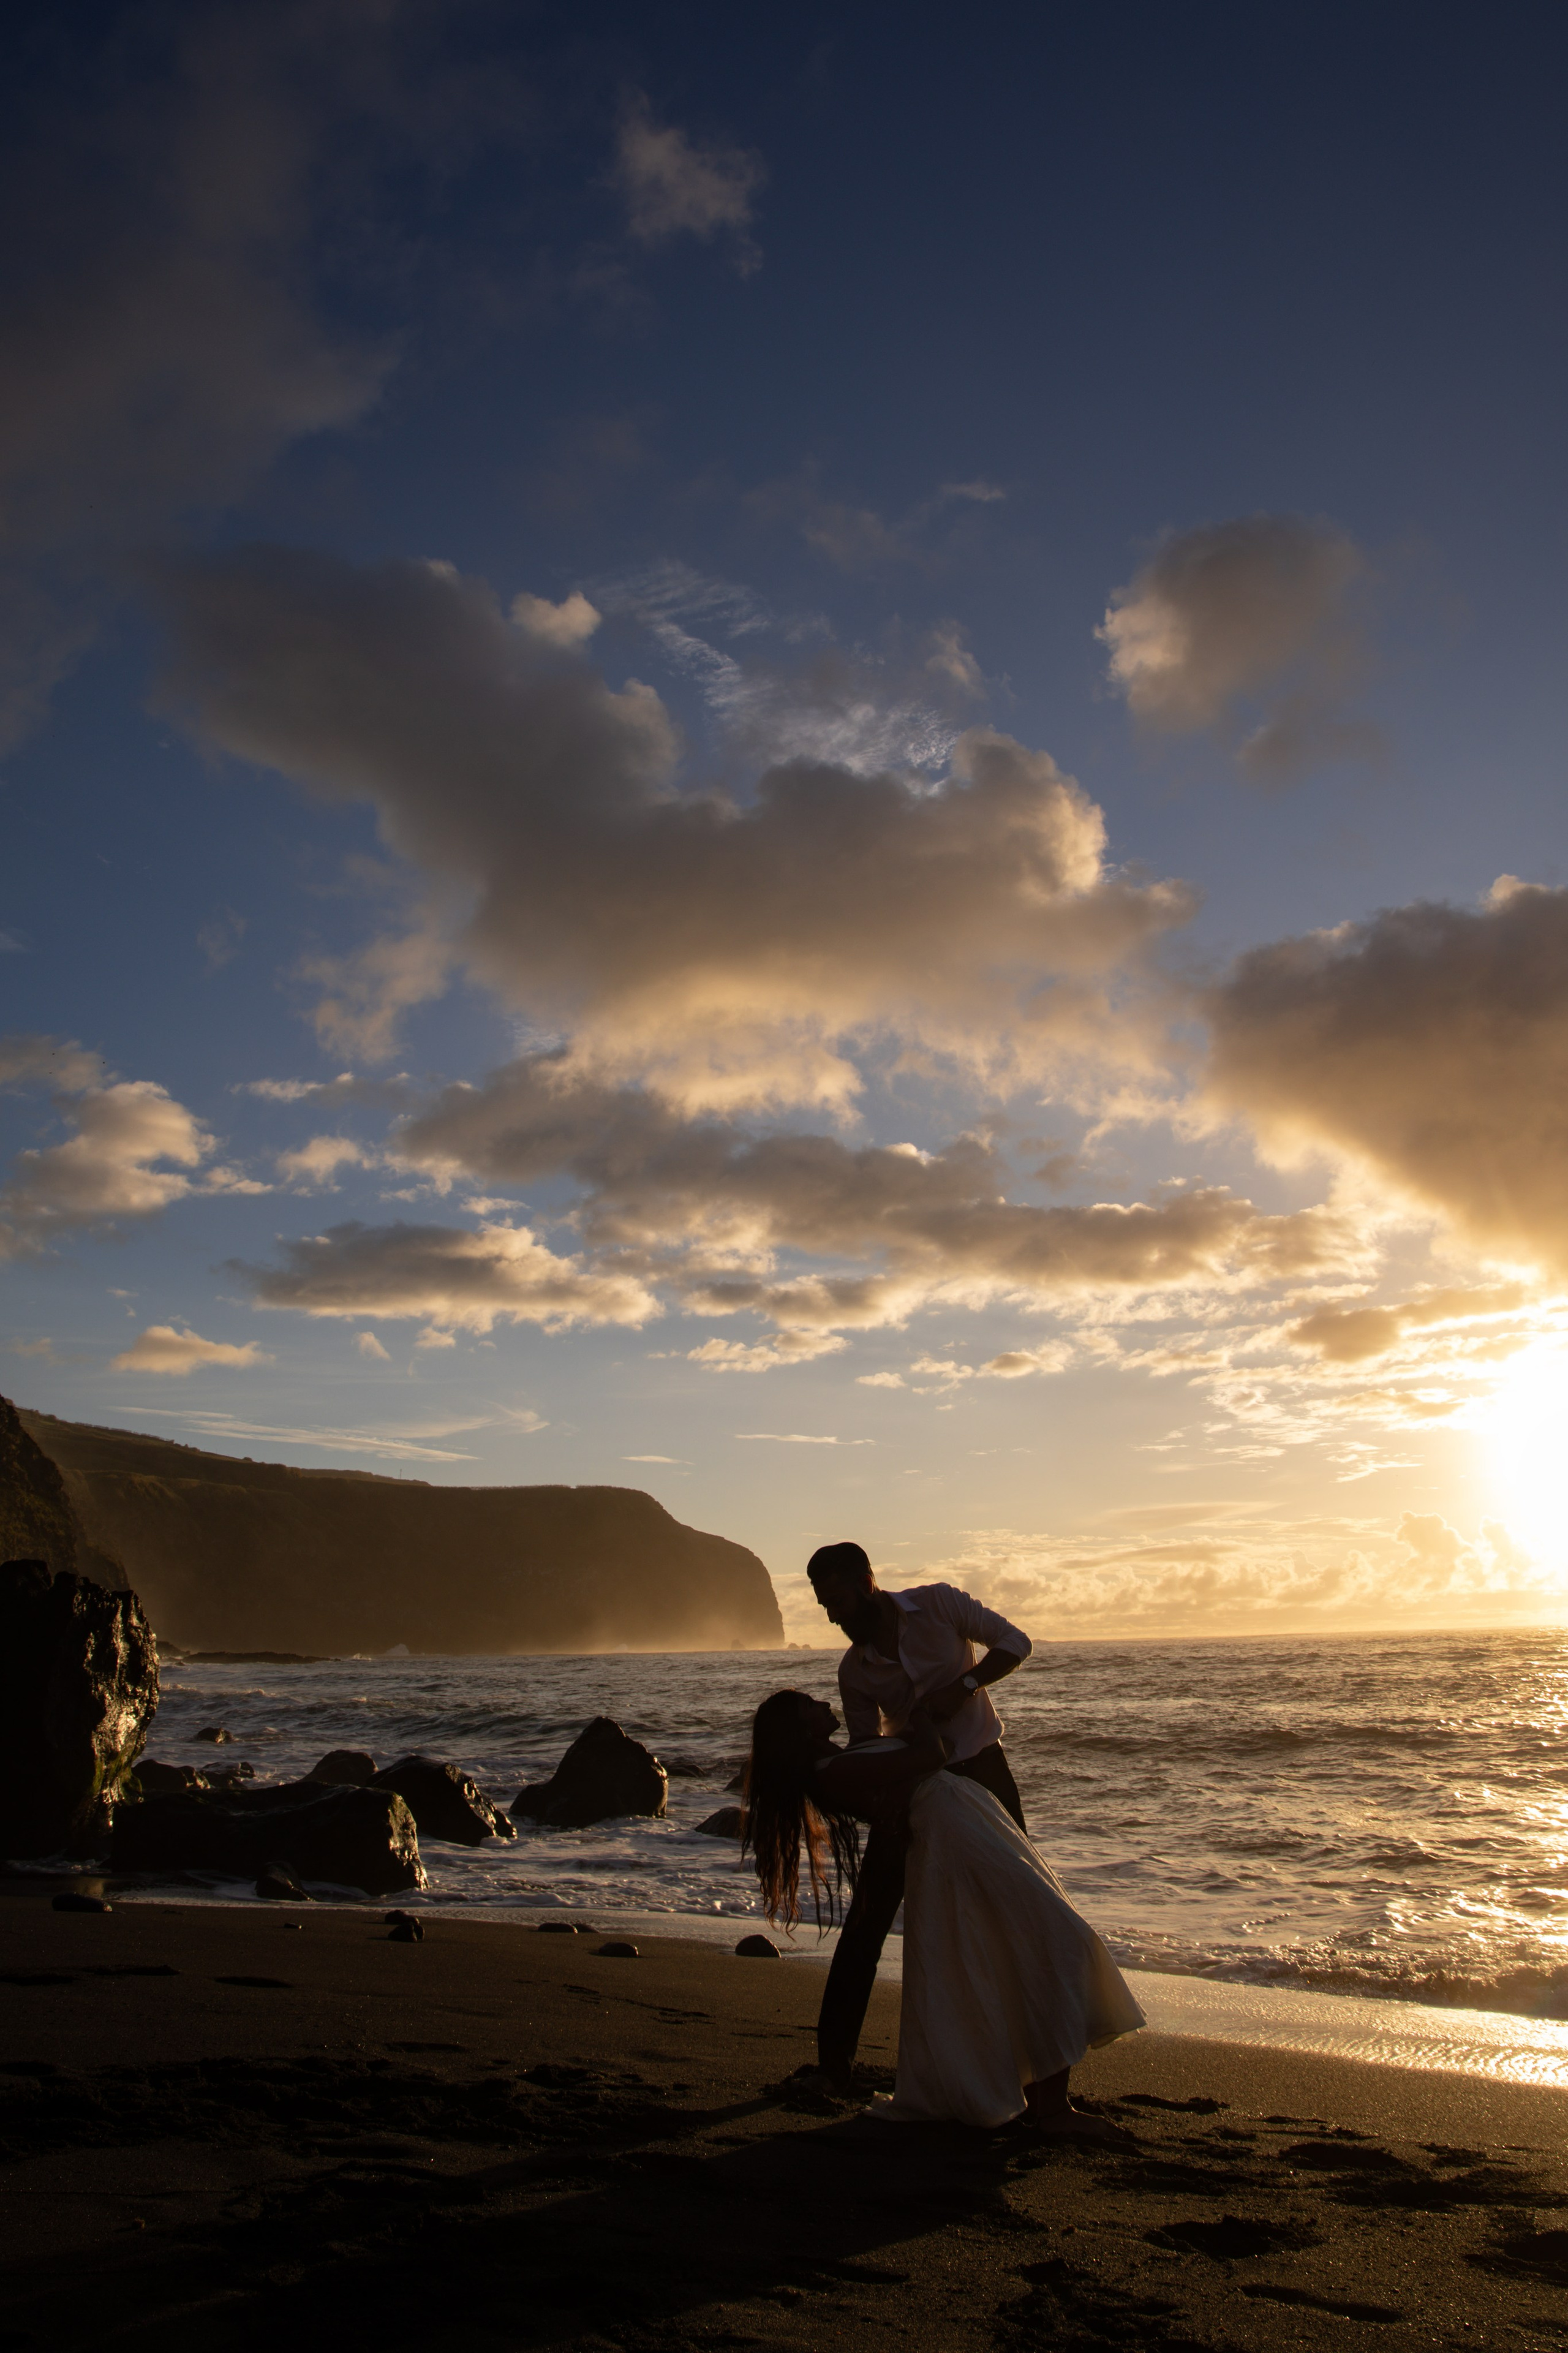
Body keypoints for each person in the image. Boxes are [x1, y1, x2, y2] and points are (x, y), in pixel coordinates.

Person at [745, 1687, 1144, 2136]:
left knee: (1027, 1946)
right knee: (1052, 1939)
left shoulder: (844, 1758)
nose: (822, 1703)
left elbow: (933, 1757)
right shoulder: (833, 1769)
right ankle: (1051, 2109)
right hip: (954, 1832)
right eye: (809, 1705)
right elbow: (931, 1754)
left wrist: (920, 1730)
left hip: (963, 1820)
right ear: (801, 1728)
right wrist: (918, 1710)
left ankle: (1048, 2103)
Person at [805, 1541, 1031, 2086]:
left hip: (985, 1771)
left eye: (837, 1600)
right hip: (913, 1788)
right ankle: (833, 2065)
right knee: (866, 1921)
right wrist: (884, 1806)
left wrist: (965, 1685)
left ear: (866, 1584)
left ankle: (1028, 2067)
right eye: (823, 1605)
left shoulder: (939, 1604)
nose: (833, 1616)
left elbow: (1016, 1642)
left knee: (1020, 1910)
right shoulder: (854, 1671)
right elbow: (866, 1750)